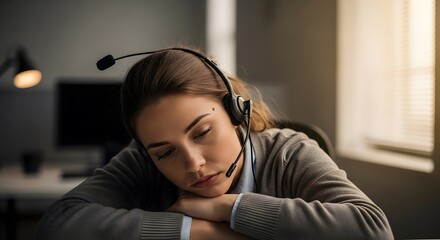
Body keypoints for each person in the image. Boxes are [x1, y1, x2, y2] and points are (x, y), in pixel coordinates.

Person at [37, 46, 393, 240]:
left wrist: (227, 208)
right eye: (165, 152)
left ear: (236, 112)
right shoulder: (143, 161)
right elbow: (57, 225)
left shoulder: (289, 152)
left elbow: (372, 229)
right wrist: (197, 232)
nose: (192, 164)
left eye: (202, 132)